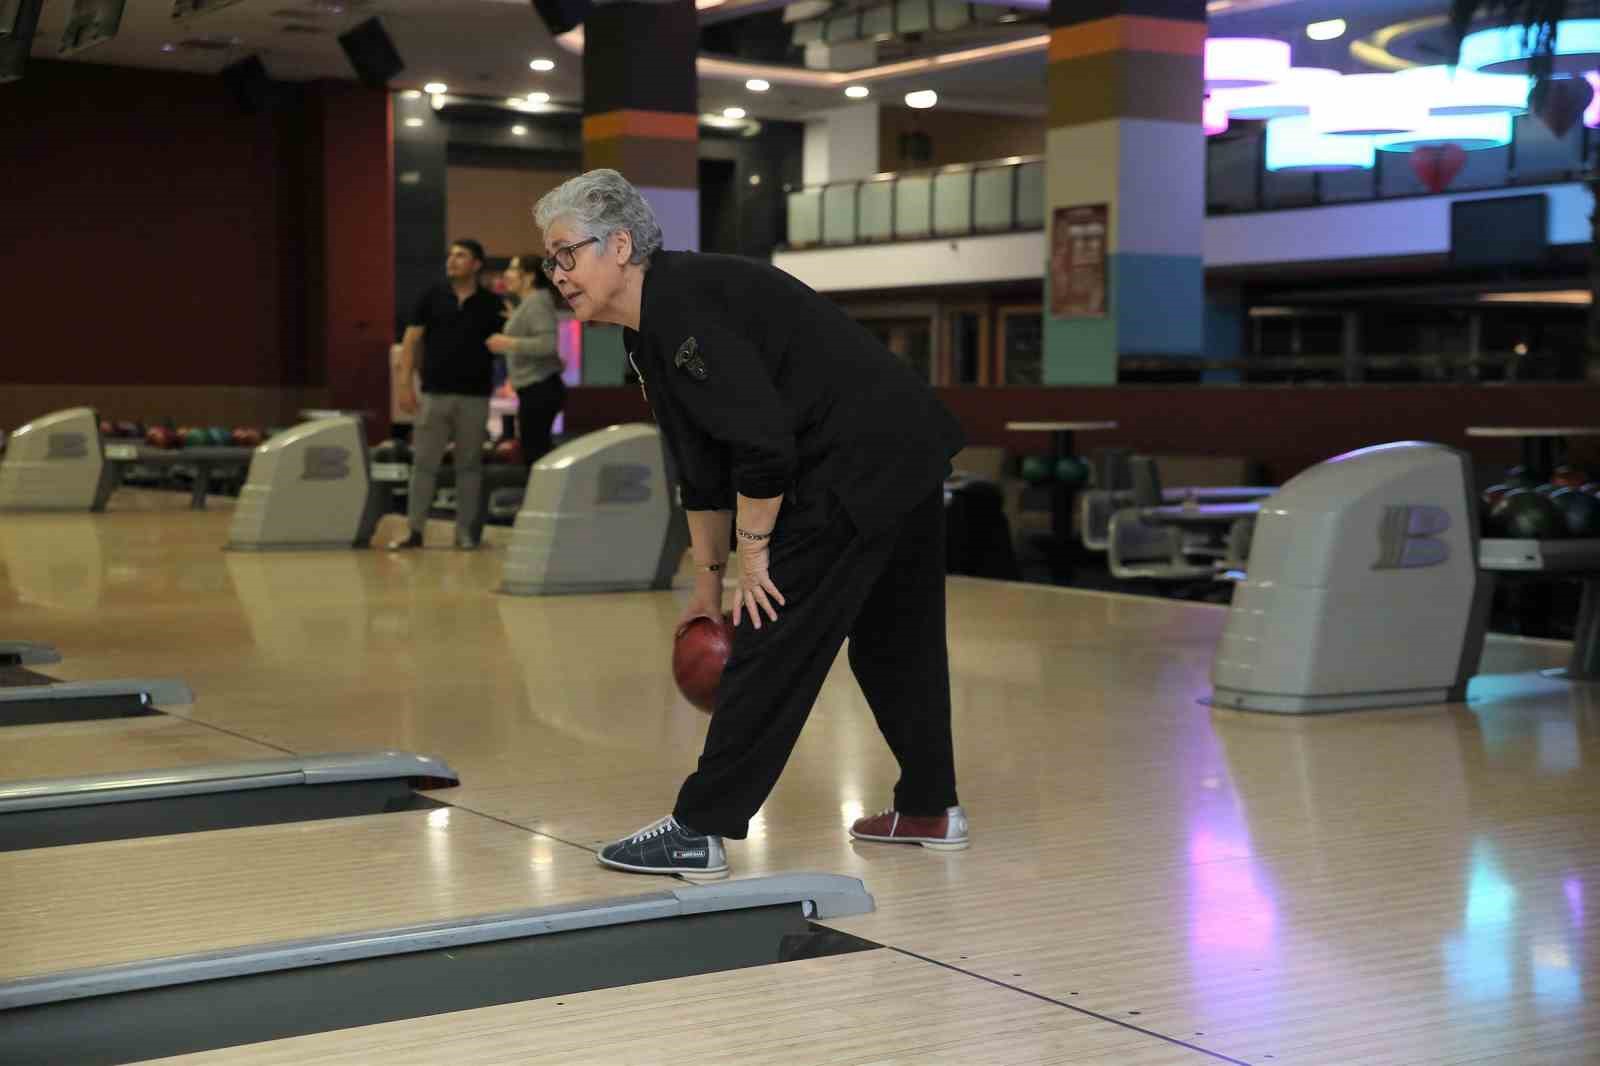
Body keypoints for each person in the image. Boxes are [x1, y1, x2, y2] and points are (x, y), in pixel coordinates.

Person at [534, 169, 969, 882]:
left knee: (771, 637)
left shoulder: (687, 307)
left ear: (618, 245)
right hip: (903, 453)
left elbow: (763, 448)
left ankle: (701, 828)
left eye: (565, 255)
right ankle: (930, 808)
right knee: (895, 643)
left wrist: (755, 556)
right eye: (549, 261)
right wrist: (707, 585)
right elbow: (702, 468)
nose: (557, 275)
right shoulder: (651, 331)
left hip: (855, 462)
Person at [391, 239, 501, 551]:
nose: (452, 260)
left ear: (476, 264)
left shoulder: (491, 304)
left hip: (475, 397)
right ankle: (414, 531)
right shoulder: (431, 297)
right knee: (424, 464)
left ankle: (464, 534)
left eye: (461, 255)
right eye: (451, 255)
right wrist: (404, 386)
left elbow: (505, 342)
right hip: (434, 395)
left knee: (469, 467)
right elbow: (411, 342)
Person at [488, 254, 565, 466]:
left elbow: (547, 344)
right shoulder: (530, 302)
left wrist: (507, 342)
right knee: (534, 449)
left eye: (513, 269)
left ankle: (541, 498)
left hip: (540, 388)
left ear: (529, 277)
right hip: (535, 388)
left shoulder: (537, 301)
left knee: (535, 453)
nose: (506, 275)